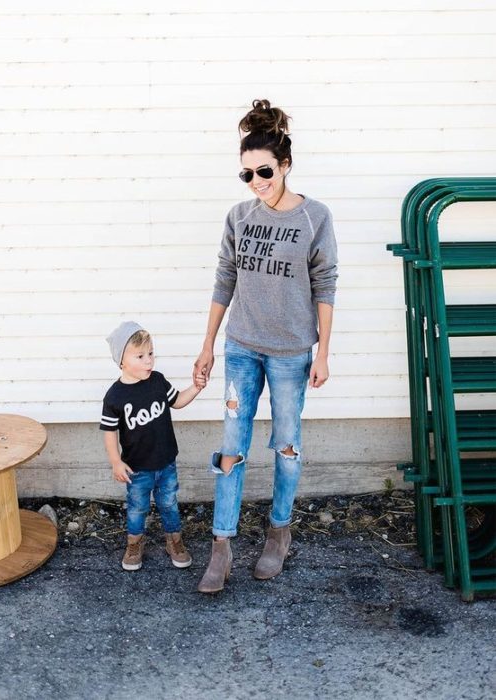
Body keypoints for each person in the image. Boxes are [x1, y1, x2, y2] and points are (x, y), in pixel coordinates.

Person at [194, 99, 338, 593]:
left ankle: (279, 533)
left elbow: (326, 284)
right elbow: (224, 279)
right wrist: (208, 344)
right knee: (232, 447)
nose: (256, 181)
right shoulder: (239, 216)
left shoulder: (315, 217)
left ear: (285, 165)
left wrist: (322, 352)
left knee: (286, 446)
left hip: (291, 353)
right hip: (240, 348)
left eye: (264, 171)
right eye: (246, 174)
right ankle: (222, 546)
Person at [100, 321, 206, 571]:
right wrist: (116, 461)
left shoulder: (157, 382)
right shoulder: (115, 396)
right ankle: (134, 544)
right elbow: (109, 431)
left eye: (150, 354)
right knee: (138, 507)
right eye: (140, 356)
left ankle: (175, 542)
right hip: (137, 469)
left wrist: (196, 388)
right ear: (121, 361)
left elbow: (177, 401)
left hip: (166, 462)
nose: (149, 361)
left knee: (169, 503)